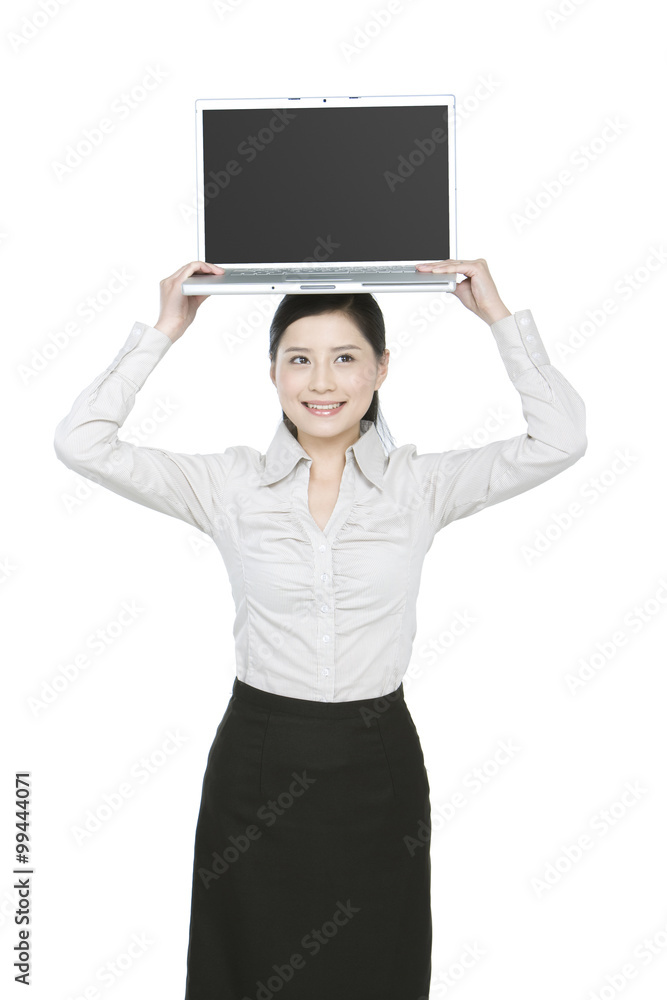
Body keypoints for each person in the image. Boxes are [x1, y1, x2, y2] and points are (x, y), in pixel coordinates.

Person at [53, 257, 587, 999]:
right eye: (298, 360)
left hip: (377, 763)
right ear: (271, 372)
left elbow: (558, 440)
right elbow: (82, 442)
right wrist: (165, 329)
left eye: (345, 358)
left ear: (381, 369)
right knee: (246, 969)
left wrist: (497, 317)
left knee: (375, 966)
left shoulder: (419, 485)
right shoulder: (227, 485)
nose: (322, 382)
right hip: (258, 761)